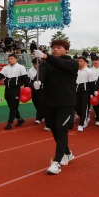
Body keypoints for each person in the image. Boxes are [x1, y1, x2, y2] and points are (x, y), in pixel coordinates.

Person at [33, 40, 78, 175]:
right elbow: (41, 74)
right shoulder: (45, 64)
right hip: (49, 103)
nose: (55, 49)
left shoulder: (72, 63)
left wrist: (45, 56)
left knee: (61, 131)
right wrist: (37, 81)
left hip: (66, 103)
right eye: (53, 47)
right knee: (54, 130)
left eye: (58, 47)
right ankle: (67, 153)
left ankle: (56, 163)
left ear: (66, 50)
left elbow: (61, 64)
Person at [0, 54, 30, 129]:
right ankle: (20, 119)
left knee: (14, 106)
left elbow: (25, 79)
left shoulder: (21, 67)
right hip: (7, 89)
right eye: (8, 59)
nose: (9, 60)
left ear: (16, 59)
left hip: (16, 89)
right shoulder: (5, 68)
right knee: (11, 106)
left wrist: (27, 88)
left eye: (11, 59)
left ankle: (9, 123)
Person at [74, 57, 96, 132]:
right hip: (76, 91)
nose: (79, 62)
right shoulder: (75, 70)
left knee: (84, 108)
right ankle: (85, 117)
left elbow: (92, 84)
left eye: (81, 61)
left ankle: (81, 124)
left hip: (85, 92)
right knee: (76, 106)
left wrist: (92, 93)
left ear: (85, 62)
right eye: (78, 61)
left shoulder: (89, 72)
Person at [27, 58, 46, 128]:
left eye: (36, 64)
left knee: (40, 102)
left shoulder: (43, 70)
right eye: (34, 64)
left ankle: (38, 118)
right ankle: (43, 115)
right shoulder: (30, 70)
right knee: (35, 102)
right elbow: (29, 79)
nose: (35, 65)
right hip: (33, 88)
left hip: (42, 89)